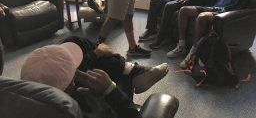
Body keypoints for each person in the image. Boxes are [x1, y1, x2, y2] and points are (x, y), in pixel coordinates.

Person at [20, 40, 168, 118]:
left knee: (74, 40)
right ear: (73, 80)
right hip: (116, 108)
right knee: (120, 77)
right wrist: (111, 91)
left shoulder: (15, 104)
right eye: (75, 69)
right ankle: (130, 71)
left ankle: (130, 69)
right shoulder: (89, 108)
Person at [166, 0, 253, 68]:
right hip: (212, 8)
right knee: (184, 10)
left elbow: (238, 8)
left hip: (223, 13)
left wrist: (213, 10)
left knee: (202, 16)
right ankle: (181, 46)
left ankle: (193, 52)